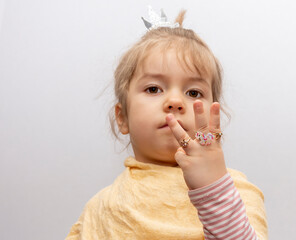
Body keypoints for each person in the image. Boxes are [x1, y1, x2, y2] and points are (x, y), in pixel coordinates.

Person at [66, 7, 268, 240]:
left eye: (193, 92)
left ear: (215, 117)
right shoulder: (101, 207)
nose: (175, 101)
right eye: (153, 89)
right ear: (122, 118)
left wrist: (213, 190)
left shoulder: (236, 192)